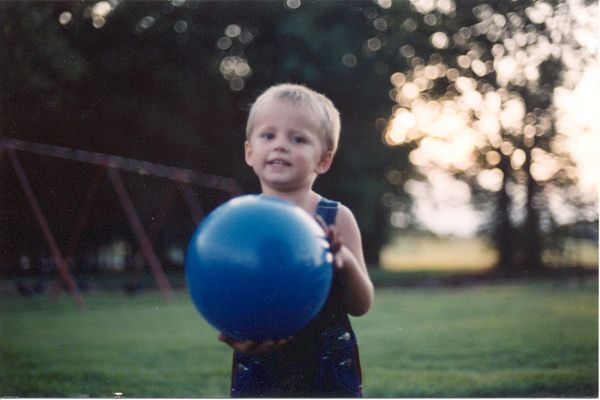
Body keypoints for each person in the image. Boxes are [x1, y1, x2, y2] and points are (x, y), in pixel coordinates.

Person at [219, 83, 374, 397]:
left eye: (298, 139)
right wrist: (236, 329)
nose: (280, 146)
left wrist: (343, 260)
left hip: (326, 363)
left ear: (323, 160)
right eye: (268, 135)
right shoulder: (240, 223)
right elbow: (228, 292)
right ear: (249, 152)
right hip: (260, 358)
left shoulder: (336, 217)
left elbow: (361, 305)